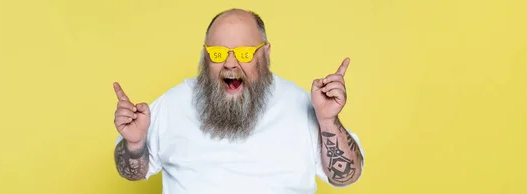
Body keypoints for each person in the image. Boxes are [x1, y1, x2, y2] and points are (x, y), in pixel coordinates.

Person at [112, 8, 365, 194]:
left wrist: (328, 121)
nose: (230, 63)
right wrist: (134, 144)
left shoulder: (300, 104)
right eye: (218, 53)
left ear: (265, 54)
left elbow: (345, 177)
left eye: (244, 53)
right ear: (204, 55)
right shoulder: (174, 103)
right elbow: (133, 172)